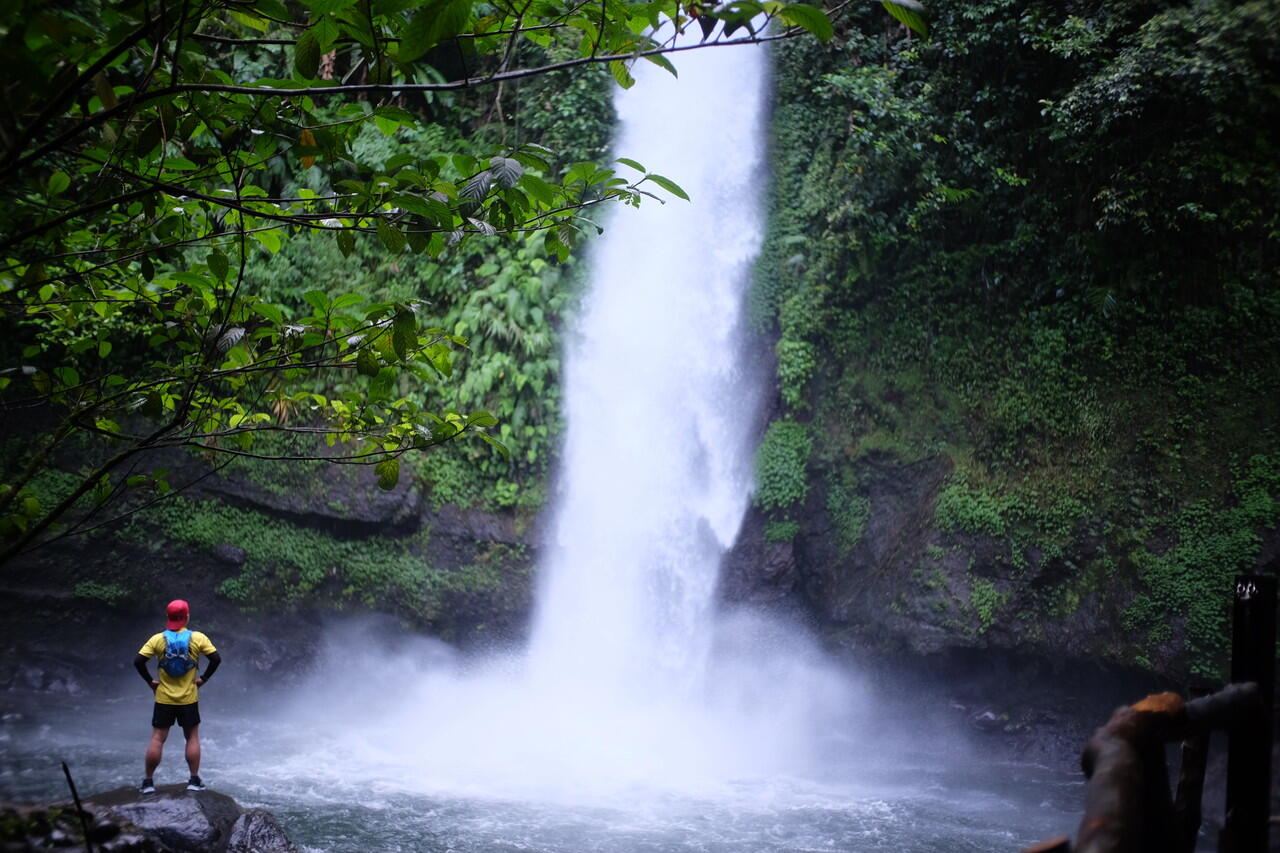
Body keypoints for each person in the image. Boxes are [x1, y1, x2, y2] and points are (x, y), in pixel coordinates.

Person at [133, 599, 221, 793]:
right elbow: (216, 659)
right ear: (187, 616)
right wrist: (203, 678)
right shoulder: (198, 638)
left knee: (157, 738)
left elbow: (138, 661)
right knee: (192, 737)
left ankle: (148, 783)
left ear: (168, 617)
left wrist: (150, 681)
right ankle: (194, 780)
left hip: (163, 698)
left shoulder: (157, 639)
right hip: (189, 698)